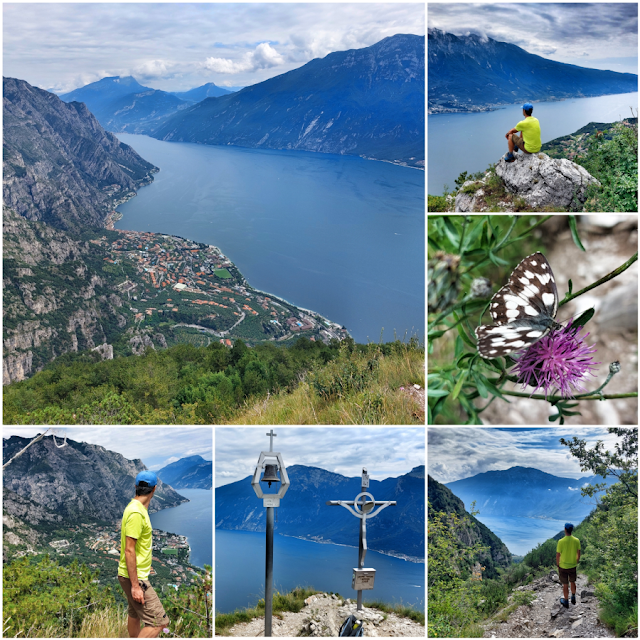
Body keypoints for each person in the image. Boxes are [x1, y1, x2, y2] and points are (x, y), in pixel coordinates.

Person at [118, 471, 170, 638]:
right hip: (135, 578)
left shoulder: (134, 508)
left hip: (130, 575)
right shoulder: (136, 513)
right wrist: (135, 586)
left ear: (135, 487)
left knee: (134, 616)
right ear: (155, 489)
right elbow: (129, 550)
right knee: (160, 622)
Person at [556, 522, 581, 608]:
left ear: (565, 529)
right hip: (573, 565)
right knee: (572, 582)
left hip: (563, 566)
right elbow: (579, 553)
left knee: (565, 585)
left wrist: (558, 564)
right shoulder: (576, 540)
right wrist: (576, 561)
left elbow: (558, 555)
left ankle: (566, 601)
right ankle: (573, 597)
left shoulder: (561, 541)